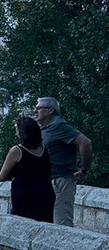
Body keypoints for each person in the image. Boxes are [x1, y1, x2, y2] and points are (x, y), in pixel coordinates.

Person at [34, 97, 93, 226]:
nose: (35, 111)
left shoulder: (59, 126)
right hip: (47, 181)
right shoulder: (46, 128)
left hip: (61, 181)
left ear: (50, 110)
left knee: (62, 226)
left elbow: (85, 142)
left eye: (39, 108)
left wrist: (84, 169)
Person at [0, 116, 54, 223]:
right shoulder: (44, 148)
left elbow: (2, 176)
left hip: (25, 198)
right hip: (46, 195)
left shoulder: (17, 151)